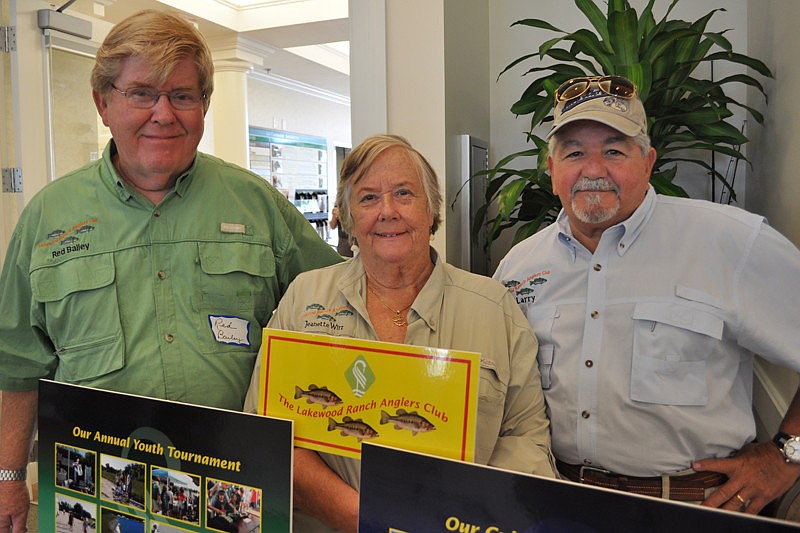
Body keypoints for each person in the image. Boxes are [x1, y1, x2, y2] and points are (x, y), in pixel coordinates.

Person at [0, 9, 342, 530]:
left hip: (234, 491)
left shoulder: (256, 205)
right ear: (103, 103)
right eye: (141, 93)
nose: (164, 113)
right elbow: (17, 367)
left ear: (204, 105)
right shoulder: (48, 218)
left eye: (182, 95)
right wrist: (6, 482)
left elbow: (338, 306)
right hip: (95, 495)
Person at [493, 75, 800, 514]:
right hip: (558, 504)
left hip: (697, 510)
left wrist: (787, 454)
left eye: (614, 151)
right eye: (575, 152)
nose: (593, 169)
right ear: (552, 167)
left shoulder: (732, 242)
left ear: (648, 161)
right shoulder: (519, 268)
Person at [244, 134, 556, 532]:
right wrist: (359, 516)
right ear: (349, 218)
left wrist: (460, 516)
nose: (387, 211)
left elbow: (526, 441)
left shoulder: (494, 308)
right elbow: (267, 433)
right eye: (368, 198)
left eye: (404, 193)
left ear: (432, 210)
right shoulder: (304, 297)